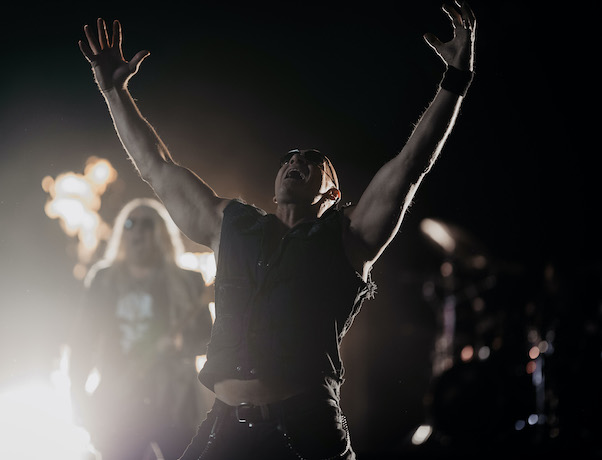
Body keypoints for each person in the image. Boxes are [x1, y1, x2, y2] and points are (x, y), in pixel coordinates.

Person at [78, 2, 476, 458]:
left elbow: (411, 165)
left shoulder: (349, 238)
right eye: (289, 158)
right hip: (225, 427)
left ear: (332, 195)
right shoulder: (230, 224)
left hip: (304, 429)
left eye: (312, 160)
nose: (295, 161)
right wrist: (114, 92)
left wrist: (455, 81)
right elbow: (156, 166)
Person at [69, 198, 213, 460]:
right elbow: (83, 342)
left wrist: (181, 344)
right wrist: (78, 395)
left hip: (175, 405)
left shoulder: (188, 280)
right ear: (122, 233)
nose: (138, 230)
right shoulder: (103, 281)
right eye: (130, 223)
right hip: (118, 403)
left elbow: (209, 339)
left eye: (147, 224)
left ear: (162, 233)